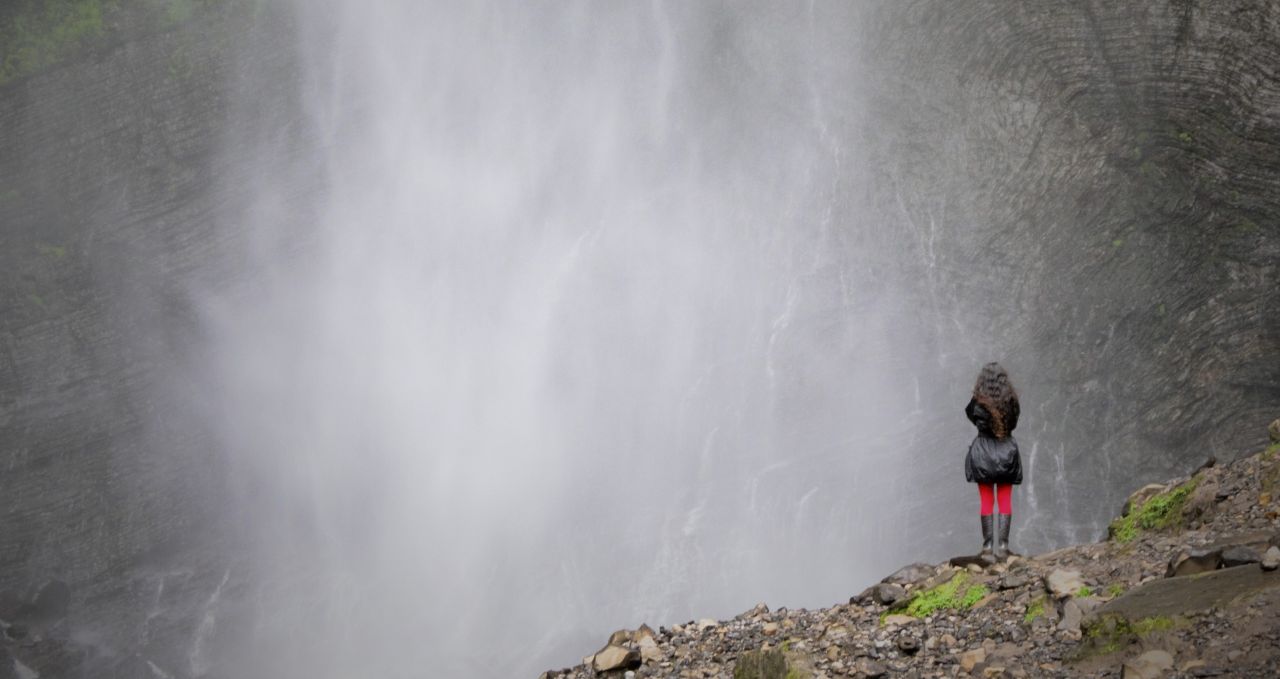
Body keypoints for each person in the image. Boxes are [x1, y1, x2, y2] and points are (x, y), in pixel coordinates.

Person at [964, 362, 1022, 561]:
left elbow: (971, 417)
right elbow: (1014, 421)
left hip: (982, 454)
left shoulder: (977, 401)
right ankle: (1004, 546)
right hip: (1006, 453)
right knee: (1005, 500)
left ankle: (987, 547)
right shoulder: (1011, 401)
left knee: (986, 501)